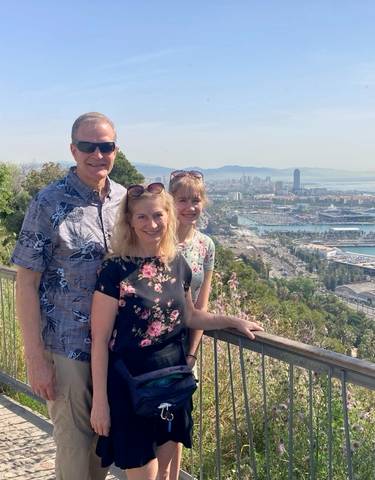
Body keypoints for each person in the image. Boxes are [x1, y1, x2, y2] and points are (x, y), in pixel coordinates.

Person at [90, 183, 263, 480]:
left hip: (171, 384)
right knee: (143, 472)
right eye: (142, 217)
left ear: (169, 217)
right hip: (129, 387)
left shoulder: (177, 264)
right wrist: (100, 403)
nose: (152, 224)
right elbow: (100, 340)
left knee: (165, 471)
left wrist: (233, 321)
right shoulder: (114, 270)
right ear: (129, 221)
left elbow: (191, 316)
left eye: (158, 215)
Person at [12, 112, 126, 480]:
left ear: (115, 150)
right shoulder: (48, 202)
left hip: (116, 350)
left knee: (102, 452)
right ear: (73, 150)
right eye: (89, 147)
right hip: (68, 348)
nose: (98, 154)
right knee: (76, 458)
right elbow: (25, 282)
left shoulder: (124, 200)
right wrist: (35, 359)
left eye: (105, 146)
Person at [168, 169, 214, 479]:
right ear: (170, 202)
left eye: (195, 200)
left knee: (178, 423)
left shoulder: (206, 245)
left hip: (185, 347)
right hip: (152, 344)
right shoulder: (157, 237)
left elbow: (202, 304)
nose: (189, 207)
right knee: (151, 420)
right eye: (182, 199)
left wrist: (192, 354)